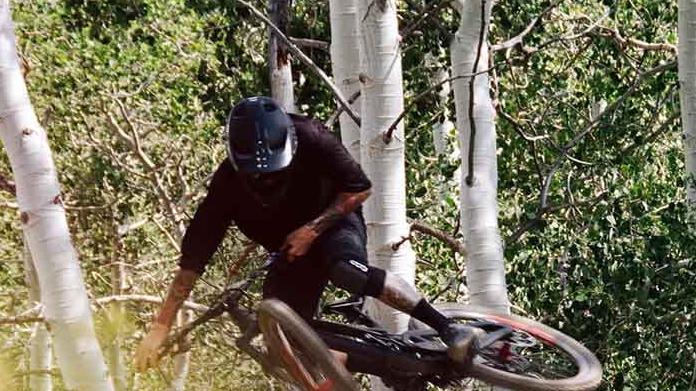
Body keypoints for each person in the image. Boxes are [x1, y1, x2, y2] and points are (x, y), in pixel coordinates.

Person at [131, 96, 477, 372]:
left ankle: (447, 328)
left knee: (347, 272)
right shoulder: (225, 189)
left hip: (334, 226)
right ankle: (391, 366)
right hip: (289, 255)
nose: (267, 183)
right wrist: (159, 329)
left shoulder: (310, 136)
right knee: (279, 339)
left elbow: (359, 189)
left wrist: (312, 230)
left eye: (275, 175)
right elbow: (190, 266)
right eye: (257, 178)